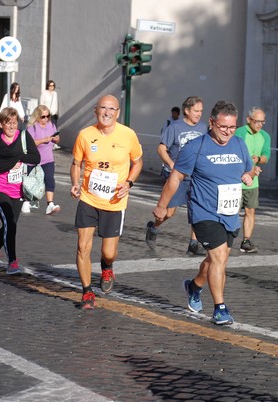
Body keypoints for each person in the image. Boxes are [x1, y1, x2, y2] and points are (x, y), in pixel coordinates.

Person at [153, 101, 253, 325]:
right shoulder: (195, 146)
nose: (227, 132)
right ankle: (220, 309)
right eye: (223, 127)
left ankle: (194, 286)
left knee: (216, 259)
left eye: (232, 128)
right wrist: (162, 204)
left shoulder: (239, 144)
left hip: (229, 213)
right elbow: (176, 177)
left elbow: (249, 169)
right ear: (212, 123)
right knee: (219, 258)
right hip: (204, 212)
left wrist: (250, 175)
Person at [70, 94, 143, 309]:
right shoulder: (85, 135)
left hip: (114, 202)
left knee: (108, 252)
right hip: (88, 198)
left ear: (118, 113)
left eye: (112, 109)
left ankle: (107, 266)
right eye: (103, 108)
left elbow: (138, 162)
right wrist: (75, 182)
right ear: (96, 110)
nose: (107, 113)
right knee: (83, 246)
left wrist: (129, 183)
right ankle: (86, 291)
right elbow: (76, 163)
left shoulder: (128, 135)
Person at [145, 96, 208, 255]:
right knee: (169, 212)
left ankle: (194, 243)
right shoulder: (174, 127)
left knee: (197, 210)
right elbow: (161, 149)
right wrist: (172, 164)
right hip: (175, 176)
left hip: (195, 176)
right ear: (187, 111)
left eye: (201, 111)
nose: (199, 114)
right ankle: (154, 227)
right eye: (196, 111)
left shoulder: (203, 128)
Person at [0, 107, 40, 275]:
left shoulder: (23, 137)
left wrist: (18, 157)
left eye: (15, 122)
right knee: (10, 223)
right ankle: (12, 262)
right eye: (8, 123)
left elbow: (36, 158)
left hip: (18, 188)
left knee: (10, 224)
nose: (12, 126)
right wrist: (10, 163)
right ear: (1, 124)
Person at [234, 107, 271, 253]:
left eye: (263, 122)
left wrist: (259, 159)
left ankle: (246, 241)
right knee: (232, 211)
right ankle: (226, 239)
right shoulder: (240, 132)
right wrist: (249, 163)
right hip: (236, 180)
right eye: (257, 121)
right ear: (249, 120)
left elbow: (266, 155)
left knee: (250, 211)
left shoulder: (265, 136)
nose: (260, 125)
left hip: (253, 182)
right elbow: (235, 153)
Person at [25, 105, 61, 215]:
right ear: (37, 116)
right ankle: (26, 202)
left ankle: (50, 204)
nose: (45, 119)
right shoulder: (32, 127)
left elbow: (57, 141)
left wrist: (56, 139)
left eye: (47, 116)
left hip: (48, 159)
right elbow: (30, 143)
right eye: (43, 117)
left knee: (49, 180)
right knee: (30, 182)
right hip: (33, 159)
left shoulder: (51, 125)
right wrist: (44, 140)